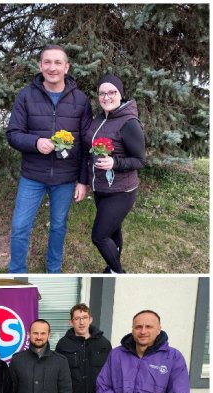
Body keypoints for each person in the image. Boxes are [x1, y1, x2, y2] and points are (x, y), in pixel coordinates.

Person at [6, 44, 92, 273]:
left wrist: (83, 181)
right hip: (32, 176)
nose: (52, 67)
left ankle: (53, 270)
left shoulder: (81, 101)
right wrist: (35, 142)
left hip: (65, 178)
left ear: (66, 67)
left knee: (58, 226)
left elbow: (86, 144)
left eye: (57, 63)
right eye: (47, 62)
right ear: (40, 65)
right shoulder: (26, 96)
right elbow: (13, 134)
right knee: (20, 227)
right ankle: (16, 273)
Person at [85, 74, 146, 274]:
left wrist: (115, 162)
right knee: (112, 230)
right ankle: (112, 269)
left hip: (122, 191)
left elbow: (140, 161)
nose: (106, 97)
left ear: (120, 94)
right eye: (102, 93)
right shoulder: (100, 118)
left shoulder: (129, 122)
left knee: (99, 236)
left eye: (112, 92)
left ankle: (119, 273)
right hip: (101, 188)